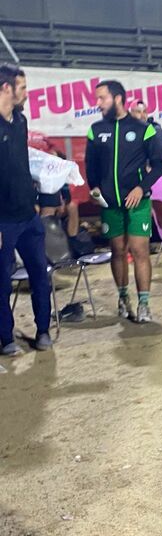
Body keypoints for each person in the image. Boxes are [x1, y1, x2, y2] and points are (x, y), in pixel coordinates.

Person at [86, 80, 162, 324]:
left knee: (140, 251)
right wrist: (94, 189)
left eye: (102, 98)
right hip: (110, 204)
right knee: (117, 251)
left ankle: (144, 304)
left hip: (138, 202)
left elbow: (159, 166)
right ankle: (123, 298)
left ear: (118, 98)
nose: (98, 103)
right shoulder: (96, 130)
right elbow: (91, 167)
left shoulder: (143, 129)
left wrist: (141, 188)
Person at [0, 64, 53, 355]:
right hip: (3, 222)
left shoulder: (20, 121)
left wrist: (34, 200)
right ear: (6, 88)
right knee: (2, 283)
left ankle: (43, 330)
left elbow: (21, 166)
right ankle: (6, 339)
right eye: (22, 88)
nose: (26, 93)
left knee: (40, 276)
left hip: (28, 217)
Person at [130, 98, 162, 164]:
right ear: (131, 113)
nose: (142, 115)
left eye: (144, 112)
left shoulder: (156, 131)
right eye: (138, 112)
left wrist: (153, 164)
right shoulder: (126, 130)